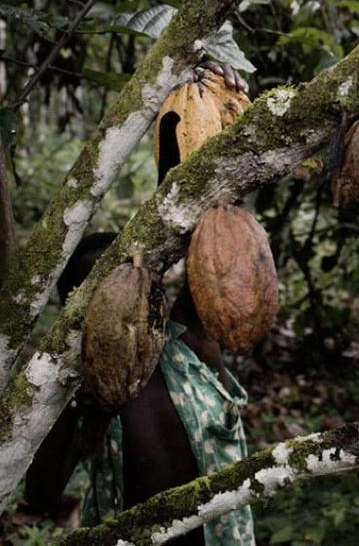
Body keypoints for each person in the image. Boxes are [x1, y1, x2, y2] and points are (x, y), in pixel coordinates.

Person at [24, 62, 256, 545]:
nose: (123, 311)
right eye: (101, 300)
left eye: (131, 289)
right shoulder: (82, 393)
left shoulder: (189, 347)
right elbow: (41, 497)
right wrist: (77, 410)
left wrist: (193, 107)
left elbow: (206, 231)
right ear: (78, 314)